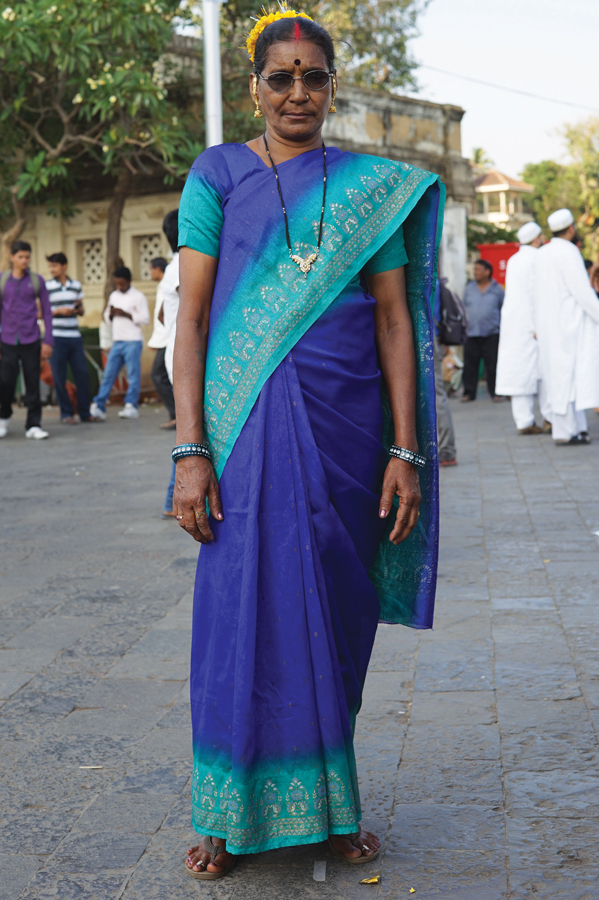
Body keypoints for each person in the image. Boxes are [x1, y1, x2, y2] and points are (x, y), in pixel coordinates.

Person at [174, 10, 443, 880]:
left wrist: (406, 452)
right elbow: (192, 320)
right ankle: (224, 813)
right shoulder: (217, 175)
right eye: (281, 77)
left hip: (347, 435)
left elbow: (395, 321)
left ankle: (330, 805)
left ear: (331, 85)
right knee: (237, 611)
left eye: (313, 76)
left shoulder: (370, 189)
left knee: (332, 614)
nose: (298, 92)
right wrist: (189, 451)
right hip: (244, 432)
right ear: (254, 86)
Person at [533, 208, 599, 444]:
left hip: (548, 325)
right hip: (568, 325)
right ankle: (566, 431)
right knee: (568, 377)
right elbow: (582, 291)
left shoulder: (542, 252)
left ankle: (577, 428)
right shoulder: (569, 251)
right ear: (571, 228)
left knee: (558, 377)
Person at [495, 222, 551, 435]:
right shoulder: (539, 258)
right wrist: (538, 324)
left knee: (519, 372)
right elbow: (538, 293)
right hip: (534, 323)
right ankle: (550, 417)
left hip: (513, 325)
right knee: (545, 372)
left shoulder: (514, 259)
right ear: (537, 239)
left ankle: (524, 421)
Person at [0, 240, 53, 439]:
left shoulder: (37, 280)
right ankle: (4, 417)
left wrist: (48, 341)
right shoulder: (3, 280)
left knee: (32, 382)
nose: (24, 260)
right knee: (6, 382)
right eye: (20, 257)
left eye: (27, 257)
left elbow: (47, 312)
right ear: (12, 257)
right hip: (7, 339)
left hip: (31, 338)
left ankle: (34, 424)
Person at [90, 266, 149, 420]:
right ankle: (99, 405)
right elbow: (107, 318)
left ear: (129, 281)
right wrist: (111, 314)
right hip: (117, 341)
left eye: (121, 284)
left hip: (133, 341)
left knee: (132, 375)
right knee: (108, 374)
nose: (119, 287)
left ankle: (131, 405)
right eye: (117, 284)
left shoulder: (138, 296)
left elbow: (145, 319)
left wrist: (127, 314)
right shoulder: (114, 296)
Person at [45, 252, 97, 424]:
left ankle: (84, 412)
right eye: (50, 266)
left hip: (74, 336)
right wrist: (59, 311)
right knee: (59, 376)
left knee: (82, 374)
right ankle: (66, 413)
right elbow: (40, 312)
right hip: (56, 337)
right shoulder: (47, 287)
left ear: (64, 266)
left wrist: (77, 310)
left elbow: (82, 309)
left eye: (54, 266)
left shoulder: (76, 285)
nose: (51, 269)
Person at [461, 259, 505, 402]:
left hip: (491, 333)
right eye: (475, 269)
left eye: (478, 269)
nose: (475, 272)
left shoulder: (497, 289)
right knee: (470, 365)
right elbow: (463, 308)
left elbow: (503, 309)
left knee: (492, 365)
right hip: (471, 332)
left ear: (487, 272)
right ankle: (469, 393)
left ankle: (496, 393)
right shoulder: (469, 288)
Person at [160, 211, 180, 518]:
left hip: (178, 353)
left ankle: (170, 500)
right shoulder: (181, 267)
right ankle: (171, 499)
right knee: (196, 429)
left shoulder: (175, 266)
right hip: (184, 358)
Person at [147, 256, 176, 429]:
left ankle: (177, 415)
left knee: (158, 375)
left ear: (158, 269)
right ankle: (176, 415)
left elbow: (163, 315)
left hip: (169, 337)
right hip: (164, 338)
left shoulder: (170, 280)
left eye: (151, 269)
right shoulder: (163, 284)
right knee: (163, 376)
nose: (150, 273)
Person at [432, 279, 457, 466]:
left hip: (425, 336)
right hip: (433, 336)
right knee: (436, 393)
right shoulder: (434, 277)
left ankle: (447, 449)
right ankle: (446, 449)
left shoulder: (425, 275)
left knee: (435, 393)